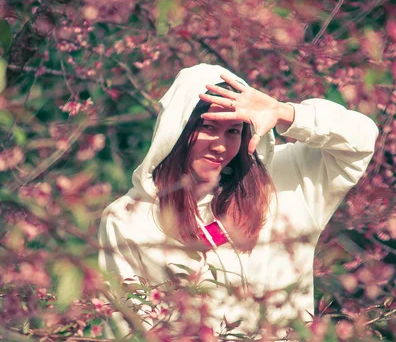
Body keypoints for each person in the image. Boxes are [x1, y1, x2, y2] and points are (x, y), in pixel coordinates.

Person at [98, 63, 379, 336]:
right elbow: (128, 324)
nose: (220, 145)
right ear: (178, 129)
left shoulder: (287, 180)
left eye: (233, 131)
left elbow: (362, 138)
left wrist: (282, 113)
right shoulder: (128, 218)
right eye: (208, 127)